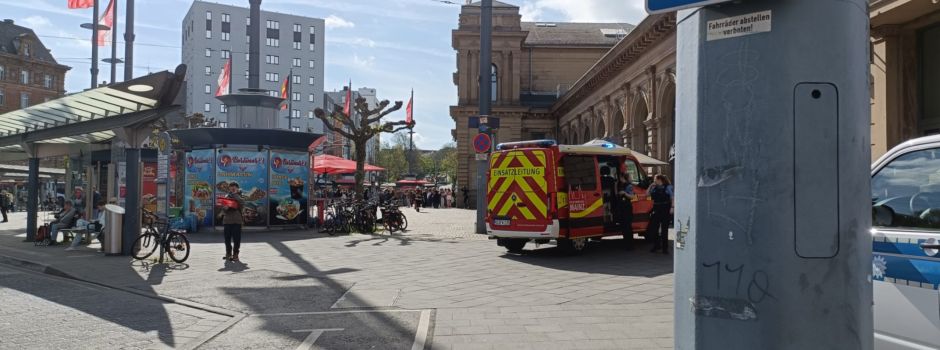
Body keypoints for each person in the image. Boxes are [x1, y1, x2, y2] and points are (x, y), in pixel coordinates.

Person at [646, 174, 674, 254]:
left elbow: (672, 197)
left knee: (664, 230)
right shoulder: (654, 188)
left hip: (665, 209)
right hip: (656, 209)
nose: (654, 180)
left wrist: (672, 207)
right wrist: (650, 185)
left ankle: (665, 248)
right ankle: (656, 245)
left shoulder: (668, 187)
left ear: (659, 180)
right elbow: (647, 194)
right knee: (654, 228)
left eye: (655, 179)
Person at [221, 182, 246, 261]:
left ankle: (235, 254)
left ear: (237, 188)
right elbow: (223, 209)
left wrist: (235, 195)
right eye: (231, 188)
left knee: (236, 239)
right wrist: (226, 207)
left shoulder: (241, 196)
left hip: (237, 221)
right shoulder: (226, 196)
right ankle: (228, 253)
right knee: (227, 239)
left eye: (234, 188)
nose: (232, 189)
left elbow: (242, 203)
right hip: (227, 221)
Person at [618, 171, 636, 250]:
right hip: (622, 207)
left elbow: (632, 197)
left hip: (627, 207)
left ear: (623, 177)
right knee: (623, 226)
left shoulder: (629, 186)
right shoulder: (620, 185)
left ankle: (630, 244)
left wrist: (624, 193)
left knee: (627, 226)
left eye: (620, 177)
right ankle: (626, 243)